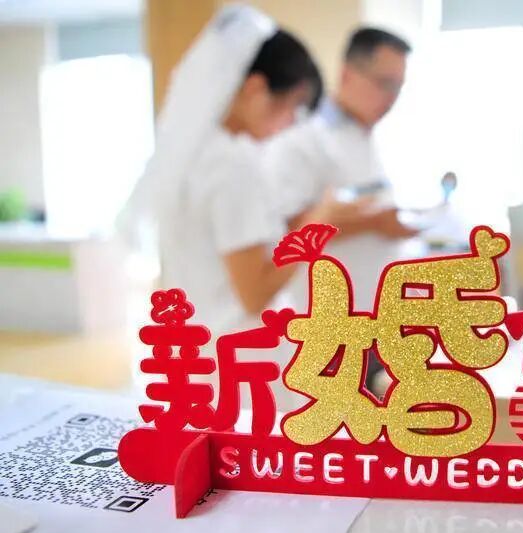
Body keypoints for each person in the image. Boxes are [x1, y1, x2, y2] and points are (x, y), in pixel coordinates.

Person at [119, 6, 374, 409]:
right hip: (244, 362)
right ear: (256, 88)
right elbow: (255, 292)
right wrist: (317, 221)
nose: (290, 123)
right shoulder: (234, 165)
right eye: (293, 106)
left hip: (202, 355)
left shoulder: (193, 157)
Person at [267, 27, 417, 312]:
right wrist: (375, 223)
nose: (392, 98)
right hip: (322, 317)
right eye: (385, 84)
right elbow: (288, 232)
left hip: (373, 312)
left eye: (399, 87)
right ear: (347, 75)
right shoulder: (301, 137)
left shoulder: (367, 135)